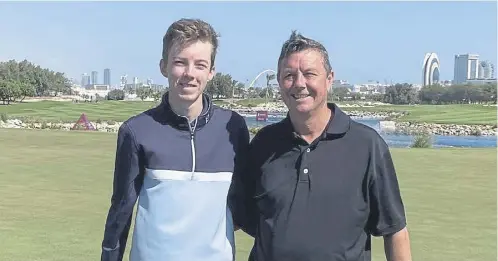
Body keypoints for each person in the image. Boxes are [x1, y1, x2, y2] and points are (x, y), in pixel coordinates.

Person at [230, 31, 412, 261]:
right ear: (279, 81)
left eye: (309, 74)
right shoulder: (263, 144)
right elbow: (238, 218)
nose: (299, 84)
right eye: (289, 75)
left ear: (329, 79)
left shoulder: (366, 145)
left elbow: (395, 230)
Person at [100, 18, 249, 261]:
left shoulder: (233, 127)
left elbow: (245, 204)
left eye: (200, 64)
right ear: (163, 66)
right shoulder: (136, 130)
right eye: (180, 62)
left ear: (211, 71)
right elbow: (121, 211)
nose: (189, 73)